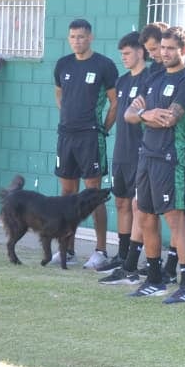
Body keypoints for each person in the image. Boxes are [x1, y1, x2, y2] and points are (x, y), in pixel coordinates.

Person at [125, 26, 185, 303]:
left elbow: (170, 118)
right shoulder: (155, 78)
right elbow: (129, 114)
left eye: (171, 48)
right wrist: (147, 113)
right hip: (148, 155)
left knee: (175, 221)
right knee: (145, 216)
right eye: (162, 48)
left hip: (172, 158)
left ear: (184, 50)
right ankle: (154, 279)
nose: (165, 53)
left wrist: (146, 114)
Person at [52, 18, 119, 269]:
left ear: (90, 37)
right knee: (67, 194)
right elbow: (60, 94)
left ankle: (100, 250)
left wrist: (103, 129)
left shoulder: (104, 65)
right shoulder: (63, 64)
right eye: (72, 37)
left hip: (91, 137)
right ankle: (67, 249)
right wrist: (67, 116)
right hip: (66, 136)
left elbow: (115, 102)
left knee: (93, 195)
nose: (76, 41)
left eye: (81, 36)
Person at [98, 33, 149, 283]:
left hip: (142, 151)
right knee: (121, 202)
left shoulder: (151, 79)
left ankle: (143, 258)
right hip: (122, 151)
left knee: (141, 206)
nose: (124, 58)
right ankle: (122, 253)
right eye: (121, 54)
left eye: (127, 53)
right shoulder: (122, 81)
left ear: (140, 51)